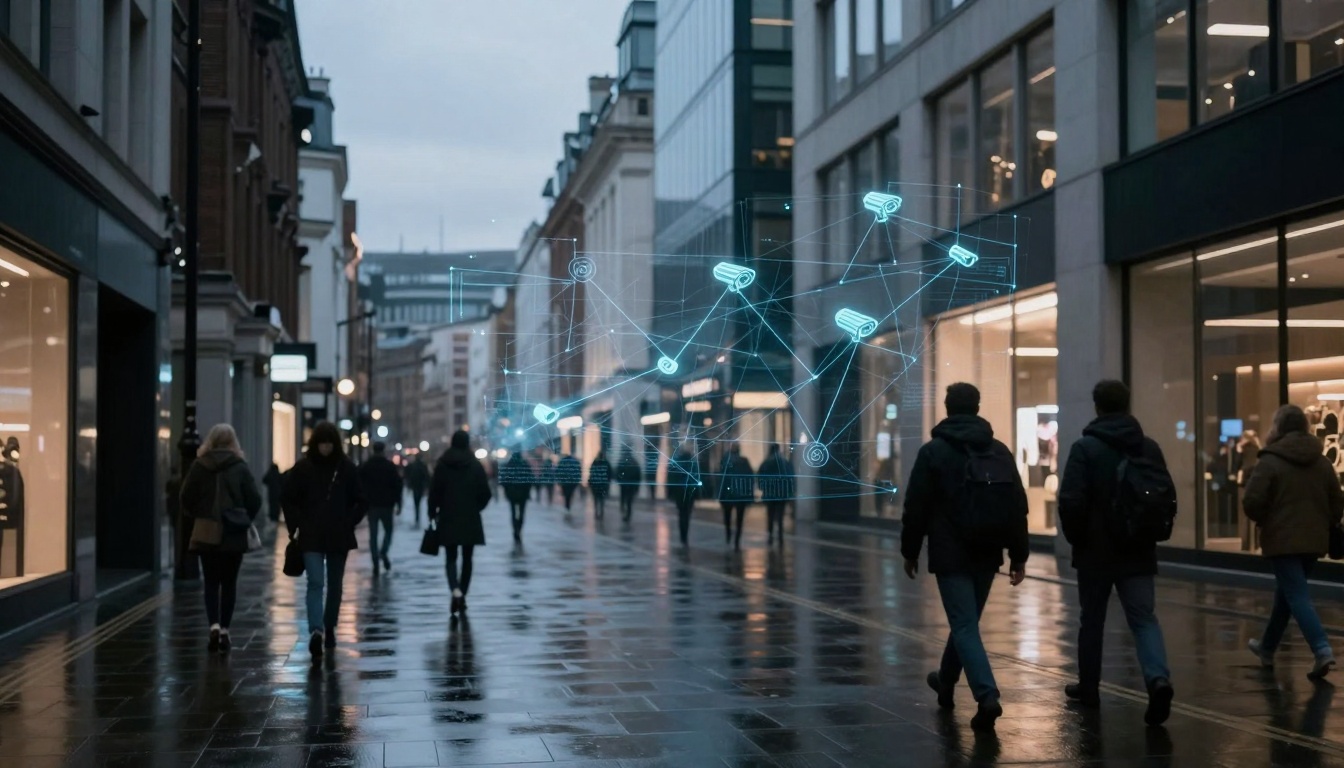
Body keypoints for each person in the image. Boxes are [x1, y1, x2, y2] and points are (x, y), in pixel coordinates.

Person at [901, 383, 1028, 731]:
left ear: (947, 407)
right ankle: (945, 681)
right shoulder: (998, 451)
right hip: (988, 552)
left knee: (964, 624)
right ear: (976, 407)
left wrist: (909, 551)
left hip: (951, 551)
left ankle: (987, 696)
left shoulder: (934, 453)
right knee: (966, 621)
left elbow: (916, 507)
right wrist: (1019, 555)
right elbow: (1017, 505)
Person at [1058, 380, 1174, 724]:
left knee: (1091, 620)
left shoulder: (1086, 448)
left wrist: (1078, 539)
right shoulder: (1148, 447)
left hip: (1096, 552)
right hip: (1138, 549)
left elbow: (1070, 501)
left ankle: (1089, 688)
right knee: (1144, 619)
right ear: (1127, 405)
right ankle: (1158, 679)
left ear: (1097, 407)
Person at [1243, 404, 1342, 681]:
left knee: (1296, 595)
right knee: (1286, 595)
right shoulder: (1322, 462)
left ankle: (1322, 648)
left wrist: (1267, 519)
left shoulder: (1270, 461)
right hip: (1313, 541)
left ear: (1278, 427)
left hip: (1282, 540)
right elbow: (1337, 504)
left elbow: (1252, 502)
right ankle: (1267, 647)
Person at [282, 421, 367, 659]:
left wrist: (349, 520)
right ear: (315, 444)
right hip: (312, 534)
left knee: (335, 585)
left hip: (337, 534)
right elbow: (287, 497)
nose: (326, 448)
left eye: (329, 443)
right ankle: (317, 629)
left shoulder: (346, 468)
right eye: (322, 443)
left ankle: (328, 626)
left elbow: (361, 500)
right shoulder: (304, 468)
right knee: (316, 582)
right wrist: (295, 526)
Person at [180, 424, 262, 654]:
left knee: (211, 582)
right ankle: (225, 630)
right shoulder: (239, 466)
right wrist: (244, 517)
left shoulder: (199, 465)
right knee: (229, 583)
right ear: (232, 442)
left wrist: (200, 514)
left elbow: (185, 497)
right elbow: (254, 499)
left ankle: (213, 626)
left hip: (206, 530)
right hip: (233, 532)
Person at [429, 430, 493, 615]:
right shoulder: (474, 465)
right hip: (470, 517)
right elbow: (485, 493)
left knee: (450, 557)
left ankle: (454, 589)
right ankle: (463, 593)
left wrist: (433, 513)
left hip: (448, 516)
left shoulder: (442, 464)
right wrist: (476, 507)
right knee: (467, 558)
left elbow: (434, 492)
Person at [358, 442, 403, 576]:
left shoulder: (366, 467)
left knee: (373, 535)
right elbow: (397, 486)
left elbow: (359, 485)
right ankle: (383, 551)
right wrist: (398, 503)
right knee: (388, 531)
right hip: (387, 505)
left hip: (372, 505)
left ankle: (375, 561)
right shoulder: (390, 467)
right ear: (383, 450)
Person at [717, 444, 755, 551]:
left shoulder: (725, 461)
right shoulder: (744, 461)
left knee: (727, 517)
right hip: (741, 494)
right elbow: (749, 479)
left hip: (728, 494)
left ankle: (728, 536)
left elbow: (722, 479)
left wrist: (720, 495)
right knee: (740, 518)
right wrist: (749, 495)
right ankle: (737, 540)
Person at [756, 444, 795, 546]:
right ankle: (780, 537)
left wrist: (763, 488)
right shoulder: (784, 462)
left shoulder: (766, 462)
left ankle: (770, 536)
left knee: (770, 515)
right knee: (780, 516)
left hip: (770, 493)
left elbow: (760, 477)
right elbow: (790, 477)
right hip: (782, 493)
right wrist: (790, 492)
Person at [667, 443, 700, 546]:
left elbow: (671, 479)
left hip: (679, 493)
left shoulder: (676, 463)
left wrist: (670, 493)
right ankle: (685, 534)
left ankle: (682, 535)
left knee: (681, 513)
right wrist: (697, 494)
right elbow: (696, 479)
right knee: (687, 513)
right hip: (690, 492)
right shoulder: (693, 463)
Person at [501, 451, 533, 542]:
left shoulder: (509, 465)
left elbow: (504, 479)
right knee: (522, 513)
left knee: (513, 513)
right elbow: (530, 478)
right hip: (523, 493)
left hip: (512, 493)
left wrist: (506, 490)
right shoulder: (525, 464)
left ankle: (515, 529)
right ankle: (519, 528)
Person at [616, 449, 643, 522]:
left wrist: (619, 481)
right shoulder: (634, 462)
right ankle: (627, 514)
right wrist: (637, 486)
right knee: (629, 501)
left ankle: (624, 512)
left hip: (624, 485)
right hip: (631, 485)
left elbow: (618, 472)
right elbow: (638, 476)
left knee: (624, 499)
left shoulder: (622, 461)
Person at [405, 453, 431, 528]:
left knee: (416, 503)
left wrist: (410, 485)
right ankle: (418, 518)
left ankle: (417, 519)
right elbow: (427, 476)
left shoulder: (413, 466)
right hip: (421, 486)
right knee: (419, 503)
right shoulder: (423, 466)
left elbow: (410, 476)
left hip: (415, 487)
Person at [588, 451, 612, 519]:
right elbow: (609, 474)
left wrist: (590, 482)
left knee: (596, 499)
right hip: (603, 485)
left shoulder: (595, 462)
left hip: (595, 485)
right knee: (601, 499)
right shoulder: (606, 463)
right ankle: (601, 512)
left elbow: (591, 473)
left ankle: (596, 512)